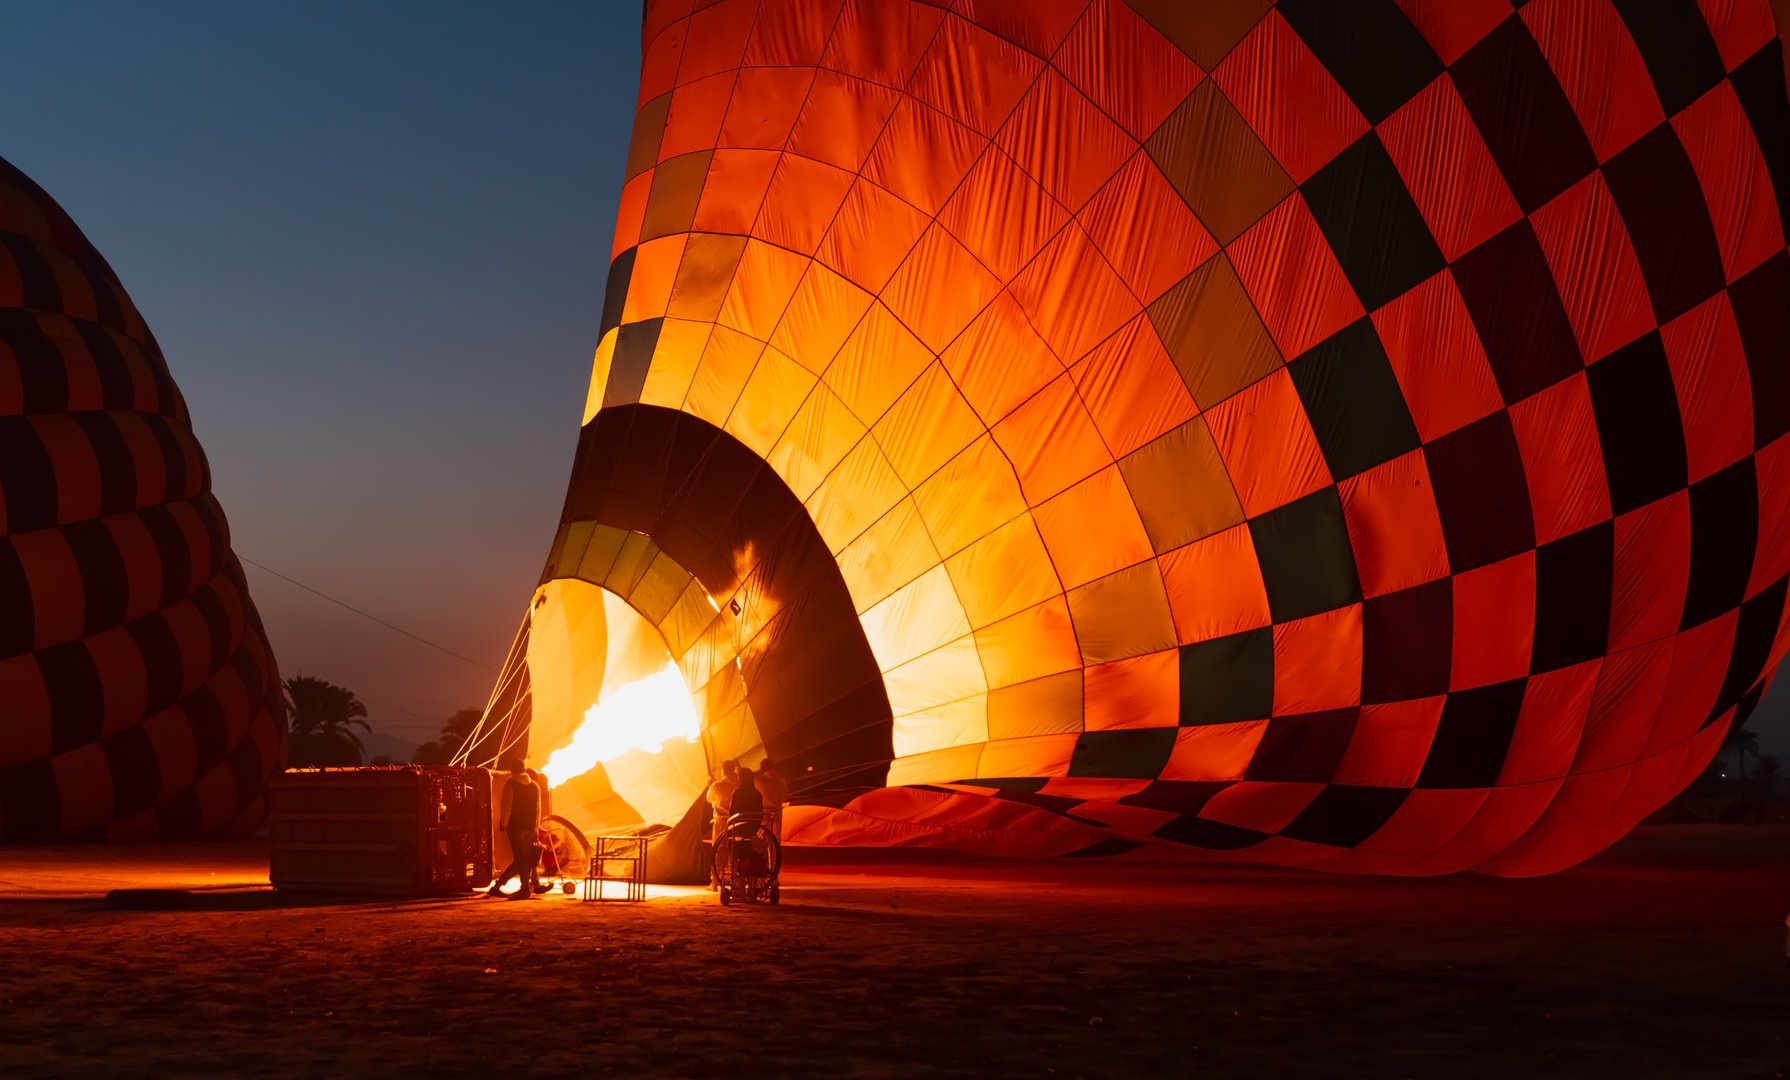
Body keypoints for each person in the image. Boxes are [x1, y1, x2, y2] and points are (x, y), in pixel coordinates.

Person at [488, 759, 543, 899]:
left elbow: (506, 806)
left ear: (512, 770)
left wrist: (504, 825)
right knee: (524, 859)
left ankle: (523, 889)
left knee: (521, 860)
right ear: (524, 770)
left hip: (516, 828)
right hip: (530, 827)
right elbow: (538, 810)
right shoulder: (535, 786)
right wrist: (536, 827)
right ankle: (505, 887)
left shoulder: (511, 784)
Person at [706, 759, 739, 887]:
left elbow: (710, 799)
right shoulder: (739, 785)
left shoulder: (717, 786)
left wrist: (711, 785)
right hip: (735, 821)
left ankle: (715, 881)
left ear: (723, 771)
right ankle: (734, 880)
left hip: (721, 821)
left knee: (718, 851)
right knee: (733, 850)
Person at [756, 758, 789, 839]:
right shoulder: (782, 781)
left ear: (762, 768)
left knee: (764, 842)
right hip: (778, 814)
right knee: (776, 842)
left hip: (765, 816)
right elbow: (784, 798)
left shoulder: (759, 781)